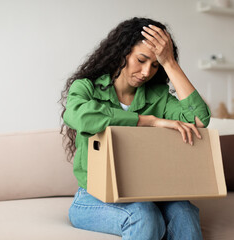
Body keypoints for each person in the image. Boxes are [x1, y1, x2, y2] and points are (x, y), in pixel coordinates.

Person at [60, 17, 211, 240]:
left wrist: (169, 62)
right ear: (122, 52)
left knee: (184, 211)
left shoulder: (158, 96)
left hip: (152, 192)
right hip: (93, 197)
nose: (146, 71)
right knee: (143, 214)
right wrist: (148, 121)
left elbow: (199, 119)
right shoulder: (86, 88)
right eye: (141, 60)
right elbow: (77, 115)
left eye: (155, 65)